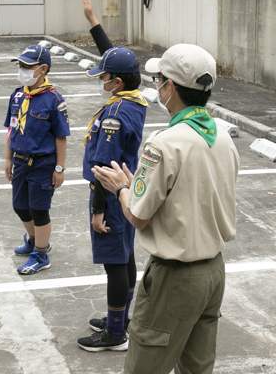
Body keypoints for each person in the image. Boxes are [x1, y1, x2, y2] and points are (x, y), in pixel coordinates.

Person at [92, 44, 239, 373]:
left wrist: (121, 188)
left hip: (176, 277)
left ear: (170, 87)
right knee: (196, 368)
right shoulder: (223, 137)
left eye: (159, 79)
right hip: (213, 271)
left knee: (144, 367)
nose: (157, 86)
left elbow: (137, 216)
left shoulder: (165, 142)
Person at [76, 0, 148, 353]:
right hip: (128, 191)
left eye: (104, 76)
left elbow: (103, 167)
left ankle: (115, 333)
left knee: (115, 265)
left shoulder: (115, 116)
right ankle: (121, 318)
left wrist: (98, 210)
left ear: (116, 82)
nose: (101, 80)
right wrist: (93, 21)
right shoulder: (134, 98)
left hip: (111, 194)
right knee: (126, 257)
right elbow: (119, 61)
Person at [4, 44, 70, 275]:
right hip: (20, 160)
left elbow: (61, 137)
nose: (21, 70)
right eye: (20, 65)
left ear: (42, 69)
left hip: (43, 163)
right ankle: (35, 240)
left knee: (38, 209)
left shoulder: (53, 99)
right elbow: (12, 129)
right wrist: (8, 159)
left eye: (27, 66)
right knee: (20, 206)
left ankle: (41, 254)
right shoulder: (18, 94)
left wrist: (59, 168)